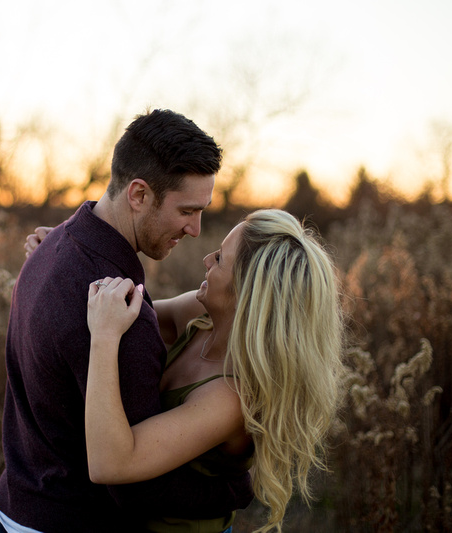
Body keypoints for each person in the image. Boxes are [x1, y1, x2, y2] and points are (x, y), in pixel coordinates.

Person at [0, 109, 254, 533]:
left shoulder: (57, 244)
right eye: (187, 210)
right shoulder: (119, 319)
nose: (195, 230)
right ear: (138, 195)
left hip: (13, 508)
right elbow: (135, 483)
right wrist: (237, 491)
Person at [84, 209, 344, 533]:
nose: (207, 259)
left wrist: (104, 337)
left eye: (220, 258)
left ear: (246, 292)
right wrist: (71, 253)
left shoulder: (230, 398)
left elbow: (110, 463)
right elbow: (133, 309)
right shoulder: (201, 314)